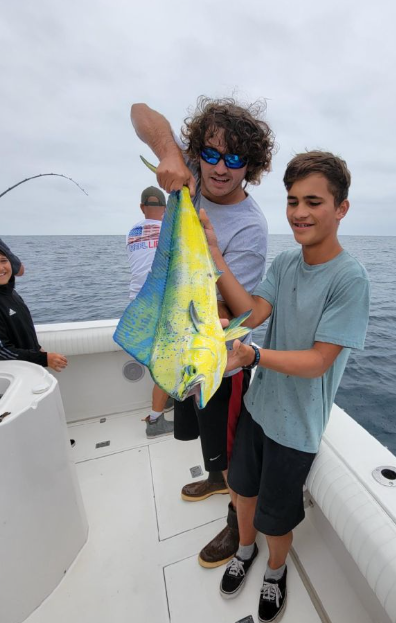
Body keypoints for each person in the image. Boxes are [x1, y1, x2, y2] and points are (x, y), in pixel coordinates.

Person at [201, 151, 370, 622]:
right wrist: (215, 257)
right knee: (241, 490)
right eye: (293, 200)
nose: (299, 212)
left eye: (313, 201)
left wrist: (253, 354)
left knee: (277, 518)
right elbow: (252, 313)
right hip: (259, 407)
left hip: (295, 429)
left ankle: (275, 571)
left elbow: (319, 361)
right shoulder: (285, 263)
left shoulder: (350, 280)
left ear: (341, 208)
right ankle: (245, 551)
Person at [131, 97, 275, 566]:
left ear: (249, 167)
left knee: (232, 450)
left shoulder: (251, 227)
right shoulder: (190, 170)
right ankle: (215, 478)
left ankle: (237, 524)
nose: (219, 167)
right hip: (179, 343)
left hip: (220, 361)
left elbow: (243, 312)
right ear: (198, 152)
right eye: (210, 154)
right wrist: (170, 156)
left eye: (235, 159)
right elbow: (140, 111)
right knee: (201, 437)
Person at [126, 186, 173, 438]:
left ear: (142, 207)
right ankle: (155, 420)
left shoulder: (131, 232)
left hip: (136, 304)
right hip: (159, 306)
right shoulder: (169, 230)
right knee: (165, 361)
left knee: (157, 358)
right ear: (166, 209)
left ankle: (165, 400)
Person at [0, 235, 68, 372]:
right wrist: (43, 358)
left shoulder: (10, 293)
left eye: (4, 260)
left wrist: (38, 350)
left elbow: (23, 330)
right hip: (9, 376)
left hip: (26, 369)